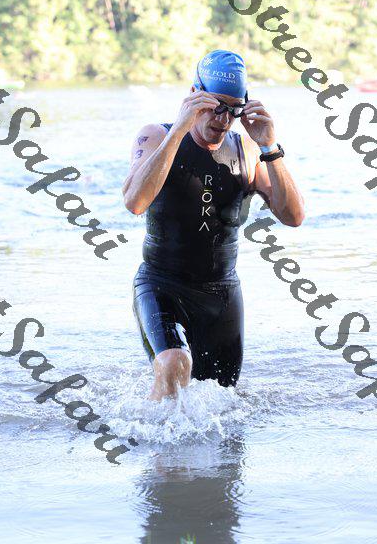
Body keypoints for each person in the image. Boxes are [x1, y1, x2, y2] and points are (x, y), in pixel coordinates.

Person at [122, 50, 304, 401]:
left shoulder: (247, 151)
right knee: (173, 364)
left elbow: (293, 216)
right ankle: (151, 439)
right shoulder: (156, 136)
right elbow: (134, 202)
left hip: (221, 296)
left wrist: (269, 146)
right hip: (162, 285)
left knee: (222, 405)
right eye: (215, 105)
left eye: (234, 109)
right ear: (194, 95)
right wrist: (179, 129)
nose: (223, 119)